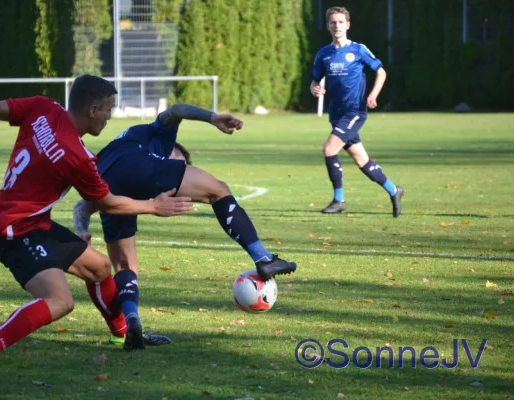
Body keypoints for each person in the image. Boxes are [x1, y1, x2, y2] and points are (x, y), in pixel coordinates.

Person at [0, 75, 193, 368]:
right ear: (93, 110)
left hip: (33, 223)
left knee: (98, 267)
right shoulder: (76, 156)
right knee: (60, 301)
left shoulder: (43, 108)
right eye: (109, 110)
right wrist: (154, 205)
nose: (110, 117)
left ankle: (123, 335)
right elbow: (108, 202)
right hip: (13, 231)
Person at [72, 103, 298, 346]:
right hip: (138, 167)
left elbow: (82, 207)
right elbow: (176, 110)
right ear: (174, 152)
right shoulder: (160, 135)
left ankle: (132, 321)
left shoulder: (113, 152)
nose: (183, 169)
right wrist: (213, 118)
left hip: (109, 183)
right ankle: (263, 258)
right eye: (182, 163)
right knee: (218, 190)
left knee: (126, 265)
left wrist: (82, 230)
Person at [310, 6, 404, 217]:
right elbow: (315, 81)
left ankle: (339, 199)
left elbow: (381, 72)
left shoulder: (358, 50)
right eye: (333, 22)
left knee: (329, 149)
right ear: (328, 26)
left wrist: (373, 95)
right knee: (361, 159)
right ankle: (394, 190)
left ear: (348, 25)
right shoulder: (324, 54)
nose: (337, 26)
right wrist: (315, 89)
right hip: (336, 114)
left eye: (341, 22)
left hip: (354, 112)